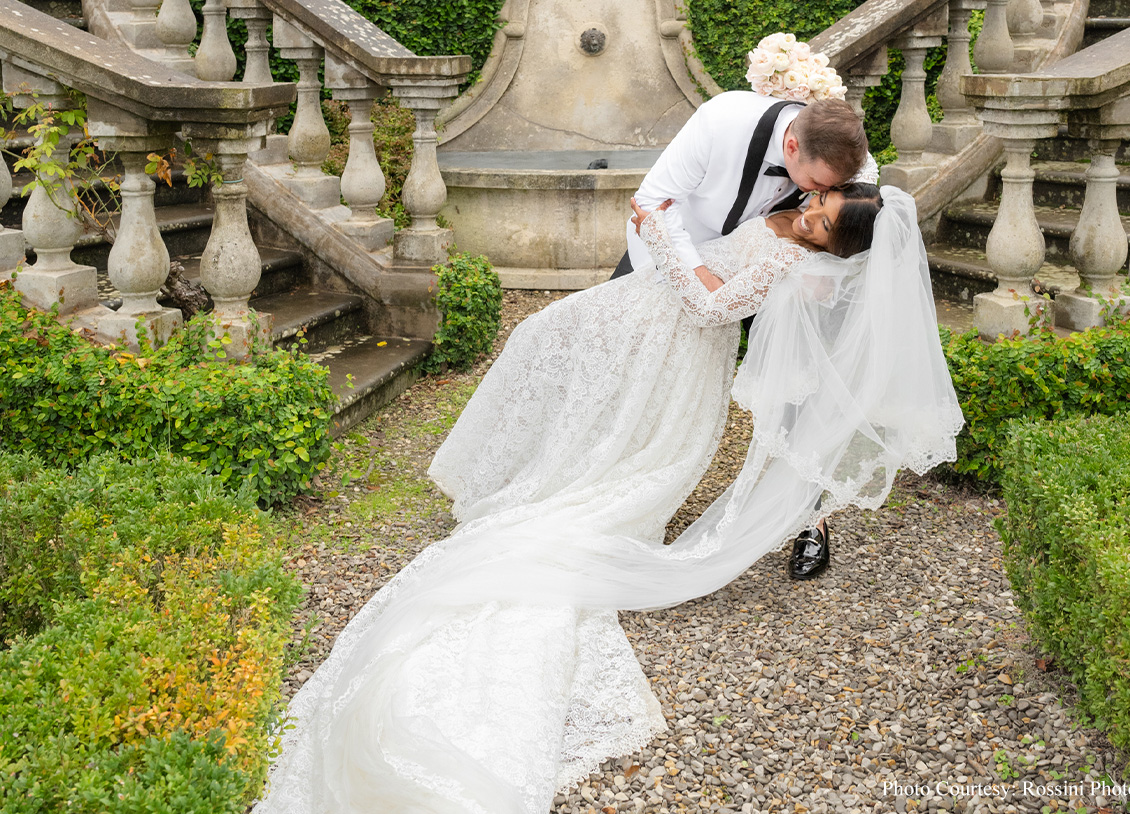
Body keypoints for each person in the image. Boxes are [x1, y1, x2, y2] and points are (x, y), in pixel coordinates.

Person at [253, 184, 962, 814]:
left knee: (606, 455)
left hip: (682, 357)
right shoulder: (795, 207)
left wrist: (660, 232)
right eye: (815, 204)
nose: (805, 216)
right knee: (550, 359)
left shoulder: (792, 263)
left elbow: (713, 303)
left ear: (835, 245)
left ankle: (550, 491)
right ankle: (520, 472)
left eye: (818, 222)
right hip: (654, 323)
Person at [614, 92, 879, 581]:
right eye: (819, 186)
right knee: (622, 362)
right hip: (675, 251)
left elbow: (862, 207)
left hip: (772, 271)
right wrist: (699, 272)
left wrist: (827, 262)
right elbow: (650, 202)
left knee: (801, 382)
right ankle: (617, 486)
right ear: (793, 146)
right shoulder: (722, 122)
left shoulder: (837, 153)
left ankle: (808, 518)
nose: (821, 194)